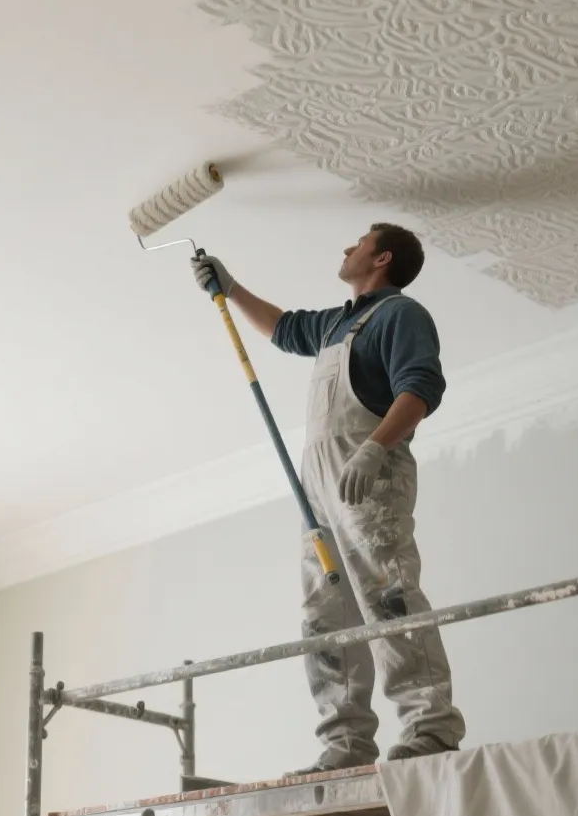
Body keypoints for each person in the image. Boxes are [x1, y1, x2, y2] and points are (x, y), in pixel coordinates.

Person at [193, 224, 466, 776]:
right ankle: (344, 744)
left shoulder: (400, 315)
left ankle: (429, 728)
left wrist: (373, 449)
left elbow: (420, 387)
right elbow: (286, 330)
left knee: (387, 595)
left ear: (381, 258)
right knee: (325, 616)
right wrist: (230, 285)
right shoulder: (340, 323)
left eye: (358, 242)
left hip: (368, 474)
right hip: (317, 487)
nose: (346, 248)